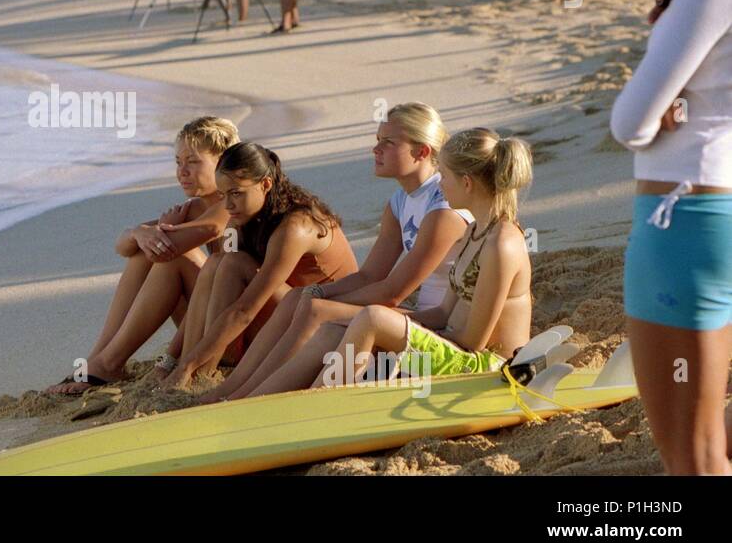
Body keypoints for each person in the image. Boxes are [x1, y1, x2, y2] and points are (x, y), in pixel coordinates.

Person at [611, 0, 732, 475]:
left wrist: (665, 114)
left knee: (692, 458)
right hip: (722, 209)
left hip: (680, 219)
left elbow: (631, 119)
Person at [200, 103, 473, 404]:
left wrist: (320, 300)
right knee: (298, 297)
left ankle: (251, 397)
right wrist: (317, 290)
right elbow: (370, 275)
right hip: (423, 314)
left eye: (388, 142)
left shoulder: (443, 208)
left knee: (316, 309)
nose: (375, 149)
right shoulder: (399, 202)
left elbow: (394, 292)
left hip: (441, 323)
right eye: (377, 139)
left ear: (421, 152)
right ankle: (232, 390)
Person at [246, 129, 534, 396]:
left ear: (467, 183)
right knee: (336, 327)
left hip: (483, 367)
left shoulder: (501, 245)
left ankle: (316, 408)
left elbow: (473, 341)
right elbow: (446, 312)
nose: (440, 184)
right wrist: (367, 319)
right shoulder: (475, 231)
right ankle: (253, 404)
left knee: (373, 319)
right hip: (455, 346)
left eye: (444, 176)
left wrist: (391, 326)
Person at [45, 117, 240, 394]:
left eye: (193, 162)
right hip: (209, 321)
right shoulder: (196, 207)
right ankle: (99, 361)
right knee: (146, 251)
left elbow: (209, 229)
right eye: (177, 162)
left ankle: (107, 364)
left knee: (169, 255)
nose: (182, 171)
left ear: (223, 161)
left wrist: (156, 232)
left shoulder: (233, 201)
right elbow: (123, 246)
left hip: (238, 335)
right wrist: (139, 232)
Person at [158, 142, 357, 390]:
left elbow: (245, 311)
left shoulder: (296, 226)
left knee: (233, 263)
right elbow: (208, 289)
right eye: (223, 195)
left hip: (322, 328)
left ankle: (199, 374)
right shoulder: (240, 221)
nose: (228, 205)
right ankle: (191, 374)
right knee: (217, 262)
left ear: (265, 184)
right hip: (282, 320)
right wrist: (170, 360)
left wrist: (187, 363)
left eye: (237, 193)